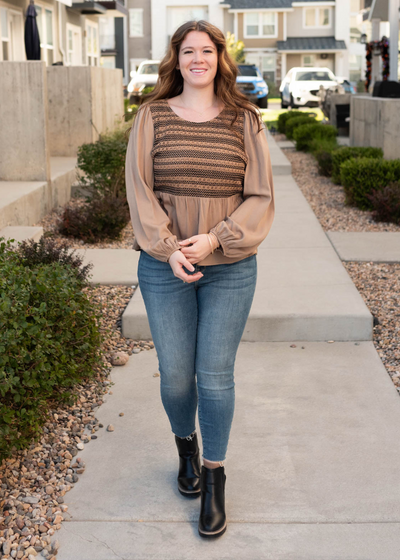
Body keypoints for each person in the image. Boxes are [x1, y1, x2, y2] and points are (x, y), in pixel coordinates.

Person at [125, 19, 275, 539]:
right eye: (188, 51)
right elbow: (139, 190)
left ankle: (213, 475)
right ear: (177, 59)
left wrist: (214, 240)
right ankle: (184, 444)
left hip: (230, 267)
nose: (197, 59)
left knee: (215, 375)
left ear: (219, 58)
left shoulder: (245, 120)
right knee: (174, 375)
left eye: (206, 51)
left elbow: (260, 196)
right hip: (165, 268)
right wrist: (168, 249)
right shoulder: (151, 116)